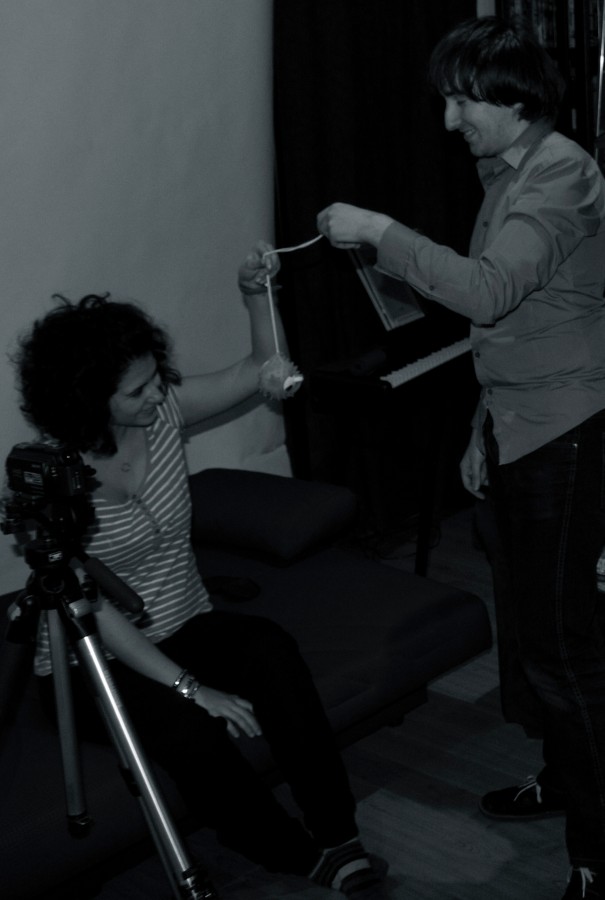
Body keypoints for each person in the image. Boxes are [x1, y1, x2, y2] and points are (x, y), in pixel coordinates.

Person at [317, 15, 605, 900]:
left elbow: (486, 292)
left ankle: (598, 846)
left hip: (566, 430)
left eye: (460, 101)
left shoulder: (561, 174)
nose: (449, 121)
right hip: (520, 422)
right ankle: (566, 780)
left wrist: (380, 228)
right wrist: (485, 422)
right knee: (528, 631)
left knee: (562, 649)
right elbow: (521, 321)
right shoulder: (507, 170)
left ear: (514, 101)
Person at [12, 241, 386, 897]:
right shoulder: (55, 478)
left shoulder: (163, 413)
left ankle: (336, 831)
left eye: (157, 376)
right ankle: (290, 854)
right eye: (137, 390)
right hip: (94, 661)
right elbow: (88, 610)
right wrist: (191, 689)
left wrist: (255, 293)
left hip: (182, 621)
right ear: (89, 399)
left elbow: (262, 370)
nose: (158, 393)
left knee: (270, 649)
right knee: (190, 733)